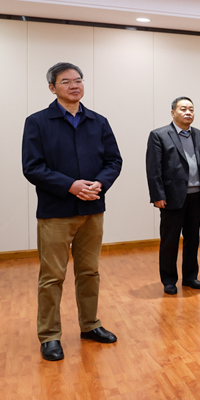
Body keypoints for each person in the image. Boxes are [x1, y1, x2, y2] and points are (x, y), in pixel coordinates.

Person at [22, 62, 123, 361]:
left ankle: (90, 325)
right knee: (52, 276)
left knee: (89, 272)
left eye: (78, 80)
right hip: (56, 211)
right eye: (66, 81)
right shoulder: (37, 122)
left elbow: (114, 161)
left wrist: (99, 184)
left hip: (93, 208)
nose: (74, 85)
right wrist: (71, 186)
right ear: (52, 88)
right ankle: (50, 336)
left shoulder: (99, 121)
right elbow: (33, 167)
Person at [146, 97, 200, 295]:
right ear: (173, 112)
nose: (188, 112)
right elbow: (153, 168)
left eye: (191, 109)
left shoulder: (199, 135)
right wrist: (157, 195)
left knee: (193, 239)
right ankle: (168, 280)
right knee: (170, 241)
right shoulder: (159, 135)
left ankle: (190, 277)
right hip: (171, 197)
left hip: (196, 196)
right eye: (183, 109)